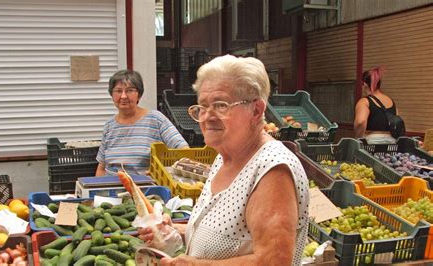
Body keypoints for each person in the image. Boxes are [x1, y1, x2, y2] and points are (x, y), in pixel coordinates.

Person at [139, 55, 310, 265]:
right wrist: (174, 231)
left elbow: (274, 261)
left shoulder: (272, 170)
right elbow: (224, 238)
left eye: (221, 105)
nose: (207, 116)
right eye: (202, 106)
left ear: (256, 110)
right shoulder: (225, 156)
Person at [95, 69, 189, 176]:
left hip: (145, 188)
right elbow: (101, 168)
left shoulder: (155, 119)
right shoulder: (109, 126)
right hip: (111, 188)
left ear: (139, 94)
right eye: (118, 91)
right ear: (112, 95)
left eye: (129, 90)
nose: (123, 96)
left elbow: (184, 150)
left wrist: (163, 172)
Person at [354, 67, 398, 144]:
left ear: (364, 84)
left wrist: (357, 139)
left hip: (372, 142)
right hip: (391, 142)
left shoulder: (364, 102)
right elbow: (396, 121)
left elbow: (361, 122)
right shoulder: (391, 101)